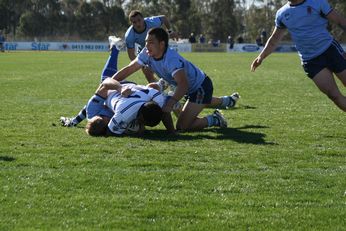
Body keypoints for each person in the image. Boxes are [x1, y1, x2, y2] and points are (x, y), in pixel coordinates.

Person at [111, 27, 240, 132]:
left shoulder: (171, 59)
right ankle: (227, 101)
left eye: (150, 42)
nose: (146, 46)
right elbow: (129, 69)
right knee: (154, 87)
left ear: (162, 44)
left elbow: (183, 85)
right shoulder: (147, 53)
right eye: (146, 42)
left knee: (182, 126)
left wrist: (170, 103)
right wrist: (111, 83)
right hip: (186, 88)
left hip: (200, 87)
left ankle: (215, 119)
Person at [251, 0, 346, 112]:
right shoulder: (282, 13)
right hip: (311, 61)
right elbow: (274, 39)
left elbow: (340, 21)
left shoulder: (317, 2)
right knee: (333, 95)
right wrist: (261, 57)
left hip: (331, 51)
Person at [60, 36, 125, 127]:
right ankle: (115, 49)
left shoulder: (95, 116)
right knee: (105, 82)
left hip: (123, 91)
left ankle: (115, 49)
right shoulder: (116, 120)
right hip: (124, 91)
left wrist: (75, 121)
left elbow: (91, 106)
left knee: (104, 84)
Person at [84, 78, 174, 136]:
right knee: (152, 89)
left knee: (154, 91)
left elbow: (165, 110)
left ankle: (166, 91)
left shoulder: (155, 96)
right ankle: (167, 92)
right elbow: (111, 131)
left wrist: (171, 131)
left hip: (129, 86)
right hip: (124, 89)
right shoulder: (123, 114)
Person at [125, 10, 175, 83]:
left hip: (159, 48)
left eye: (139, 20)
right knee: (148, 75)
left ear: (143, 18)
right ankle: (158, 90)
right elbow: (131, 55)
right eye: (134, 22)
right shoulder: (129, 35)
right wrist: (140, 65)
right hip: (144, 50)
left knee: (168, 69)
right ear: (131, 23)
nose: (137, 24)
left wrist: (170, 31)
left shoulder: (151, 22)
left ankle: (173, 86)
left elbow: (163, 18)